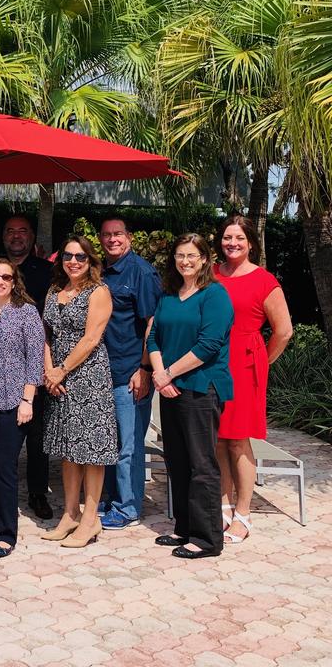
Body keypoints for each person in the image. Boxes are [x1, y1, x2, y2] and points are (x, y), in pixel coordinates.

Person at [147, 233, 234, 560]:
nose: (185, 261)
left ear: (204, 259)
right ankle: (184, 527)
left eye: (191, 256)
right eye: (180, 255)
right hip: (168, 388)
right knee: (178, 461)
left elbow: (208, 345)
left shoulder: (215, 296)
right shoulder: (169, 296)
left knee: (201, 464)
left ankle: (208, 538)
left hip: (200, 388)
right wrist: (159, 375)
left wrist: (169, 373)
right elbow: (153, 337)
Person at [214, 215, 292, 544]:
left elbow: (284, 331)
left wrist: (261, 359)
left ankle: (243, 514)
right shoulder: (212, 275)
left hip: (245, 366)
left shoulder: (264, 280)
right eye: (227, 237)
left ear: (250, 243)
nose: (232, 243)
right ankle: (222, 505)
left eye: (239, 238)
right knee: (217, 436)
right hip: (212, 362)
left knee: (238, 440)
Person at [41, 235, 117, 548]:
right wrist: (49, 372)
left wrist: (62, 370)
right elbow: (44, 334)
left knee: (91, 451)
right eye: (68, 256)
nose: (74, 261)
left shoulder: (98, 292)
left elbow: (91, 339)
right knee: (67, 449)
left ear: (90, 261)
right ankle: (70, 514)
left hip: (88, 378)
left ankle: (90, 518)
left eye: (80, 257)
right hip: (57, 379)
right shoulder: (54, 291)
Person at [0, 259, 44, 557]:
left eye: (6, 276)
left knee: (6, 466)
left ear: (15, 282)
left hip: (15, 402)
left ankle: (6, 534)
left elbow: (36, 360)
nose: (0, 281)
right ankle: (1, 521)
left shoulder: (26, 313)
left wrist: (28, 400)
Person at [98, 217, 162, 531]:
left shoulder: (142, 273)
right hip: (103, 373)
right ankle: (113, 498)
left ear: (130, 237)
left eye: (118, 234)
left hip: (130, 373)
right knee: (110, 443)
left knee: (129, 446)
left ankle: (128, 507)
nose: (112, 240)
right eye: (107, 235)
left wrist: (145, 368)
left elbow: (152, 323)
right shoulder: (99, 271)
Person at [1, 214, 54, 520]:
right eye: (11, 231)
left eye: (22, 231)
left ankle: (37, 492)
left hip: (36, 363)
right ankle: (0, 489)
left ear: (32, 236)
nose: (16, 236)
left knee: (37, 436)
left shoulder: (47, 272)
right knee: (0, 436)